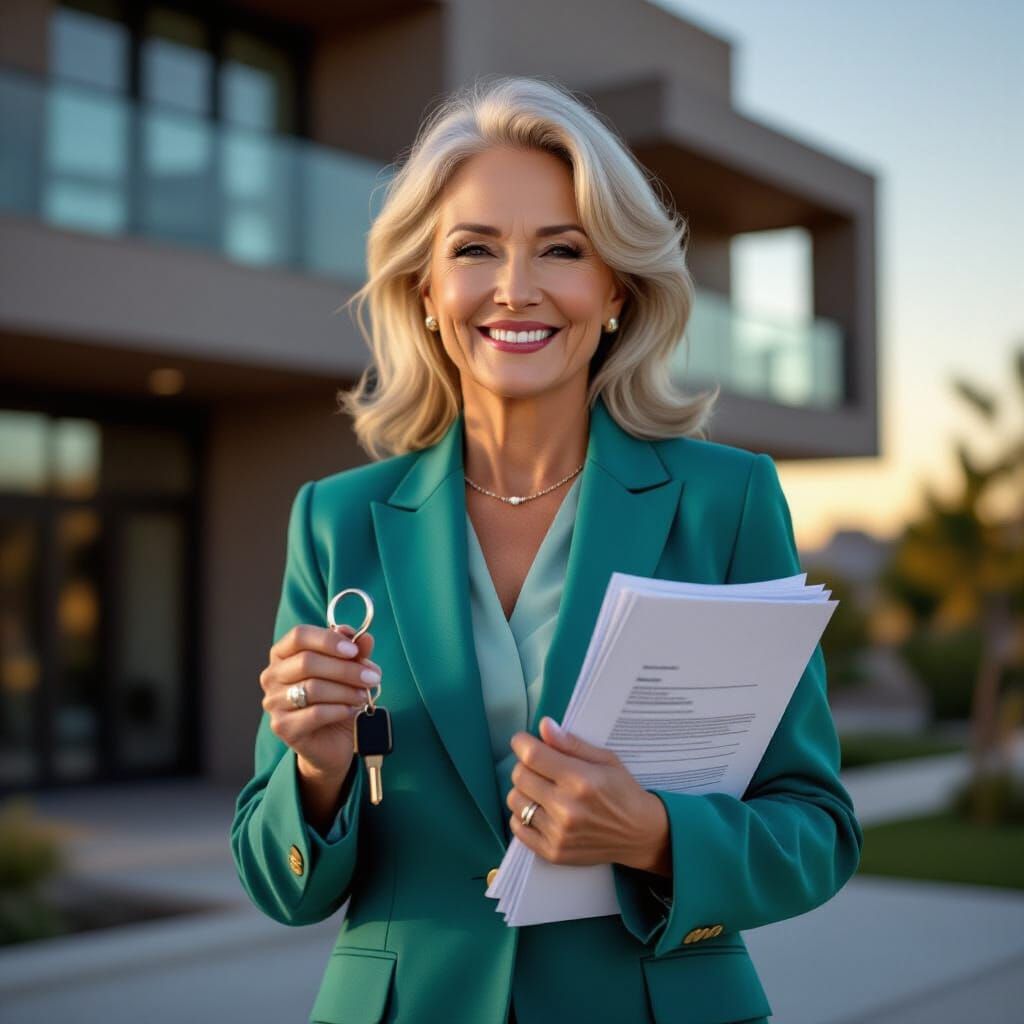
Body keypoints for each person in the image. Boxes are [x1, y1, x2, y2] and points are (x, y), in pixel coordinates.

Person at [231, 75, 863, 1024]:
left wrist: (653, 834)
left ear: (613, 287)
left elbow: (816, 831)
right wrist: (317, 772)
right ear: (427, 291)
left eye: (561, 250)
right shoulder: (337, 521)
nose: (515, 290)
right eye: (474, 249)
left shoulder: (727, 502)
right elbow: (280, 884)